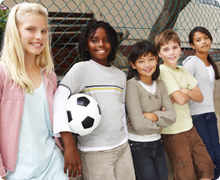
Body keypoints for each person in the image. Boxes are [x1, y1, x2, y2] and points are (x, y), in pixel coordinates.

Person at [53, 20, 135, 180]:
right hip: (95, 151)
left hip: (123, 146)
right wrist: (69, 144)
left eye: (106, 40)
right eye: (94, 40)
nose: (101, 44)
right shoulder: (81, 69)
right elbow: (59, 98)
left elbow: (120, 106)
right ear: (85, 45)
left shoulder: (119, 75)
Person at [0, 3, 69, 180]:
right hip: (15, 171)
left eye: (44, 31)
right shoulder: (3, 73)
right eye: (31, 29)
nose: (39, 36)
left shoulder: (49, 76)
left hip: (52, 164)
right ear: (16, 31)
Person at [155, 29, 215, 180]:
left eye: (175, 47)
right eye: (166, 49)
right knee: (185, 172)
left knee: (206, 166)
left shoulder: (182, 69)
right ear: (159, 54)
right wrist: (188, 92)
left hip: (190, 128)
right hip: (174, 131)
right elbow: (181, 99)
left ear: (181, 49)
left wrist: (183, 91)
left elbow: (200, 96)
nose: (172, 53)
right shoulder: (163, 71)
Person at [125, 40, 176, 180]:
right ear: (133, 64)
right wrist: (160, 125)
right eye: (141, 61)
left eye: (151, 59)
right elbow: (138, 125)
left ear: (156, 60)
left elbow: (172, 116)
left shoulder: (160, 85)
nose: (147, 65)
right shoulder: (132, 85)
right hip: (138, 145)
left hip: (157, 143)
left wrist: (152, 116)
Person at [182, 26, 220, 179]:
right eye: (198, 40)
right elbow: (182, 85)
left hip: (210, 113)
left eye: (206, 38)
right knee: (206, 152)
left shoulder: (210, 64)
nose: (203, 42)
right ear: (192, 45)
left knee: (216, 149)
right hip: (197, 115)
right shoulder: (191, 63)